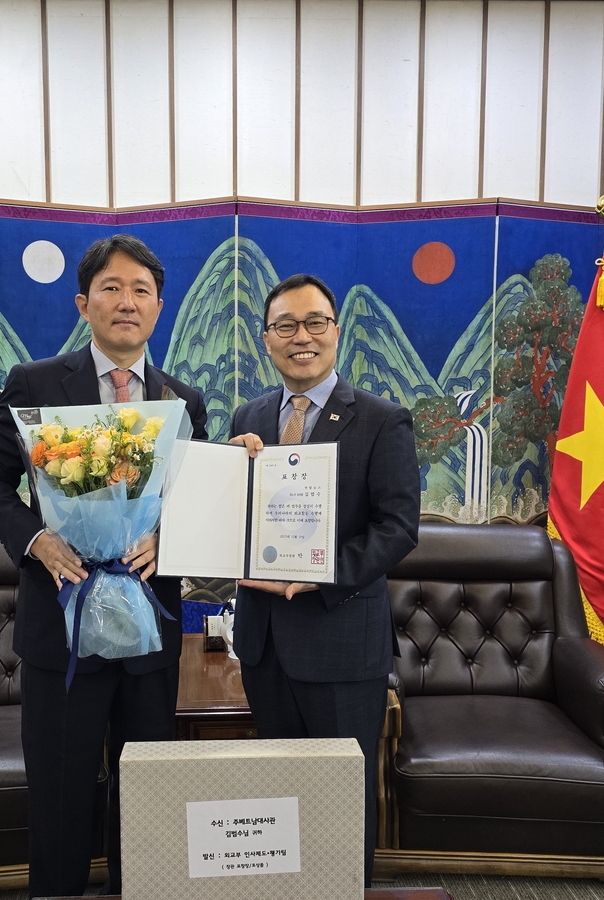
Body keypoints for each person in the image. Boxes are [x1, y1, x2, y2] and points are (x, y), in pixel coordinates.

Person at [0, 234, 208, 898]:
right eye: (111, 288)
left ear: (160, 306)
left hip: (148, 627)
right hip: (61, 621)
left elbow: (197, 497)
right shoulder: (36, 383)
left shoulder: (185, 400)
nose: (125, 302)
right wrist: (37, 540)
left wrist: (172, 537)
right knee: (61, 785)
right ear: (84, 302)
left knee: (147, 784)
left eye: (140, 290)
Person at [229, 273, 419, 886]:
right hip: (262, 641)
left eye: (315, 323)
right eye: (285, 325)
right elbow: (237, 519)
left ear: (336, 333)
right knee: (281, 785)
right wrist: (231, 476)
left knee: (339, 792)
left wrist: (322, 576)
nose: (301, 337)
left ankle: (342, 891)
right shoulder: (250, 415)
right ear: (266, 339)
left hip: (341, 640)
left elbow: (397, 528)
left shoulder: (382, 420)